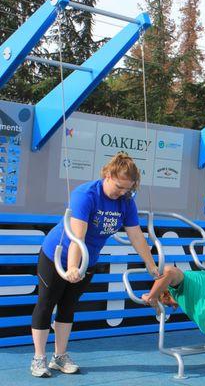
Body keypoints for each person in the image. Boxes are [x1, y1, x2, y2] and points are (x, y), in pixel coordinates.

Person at [30, 152, 159, 378]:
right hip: (58, 256)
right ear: (108, 175)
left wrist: (151, 265)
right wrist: (72, 268)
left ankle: (59, 356)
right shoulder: (86, 194)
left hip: (89, 259)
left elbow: (136, 236)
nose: (122, 193)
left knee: (68, 306)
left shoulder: (126, 201)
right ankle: (38, 358)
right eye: (119, 187)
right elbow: (76, 238)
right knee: (46, 304)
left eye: (127, 189)